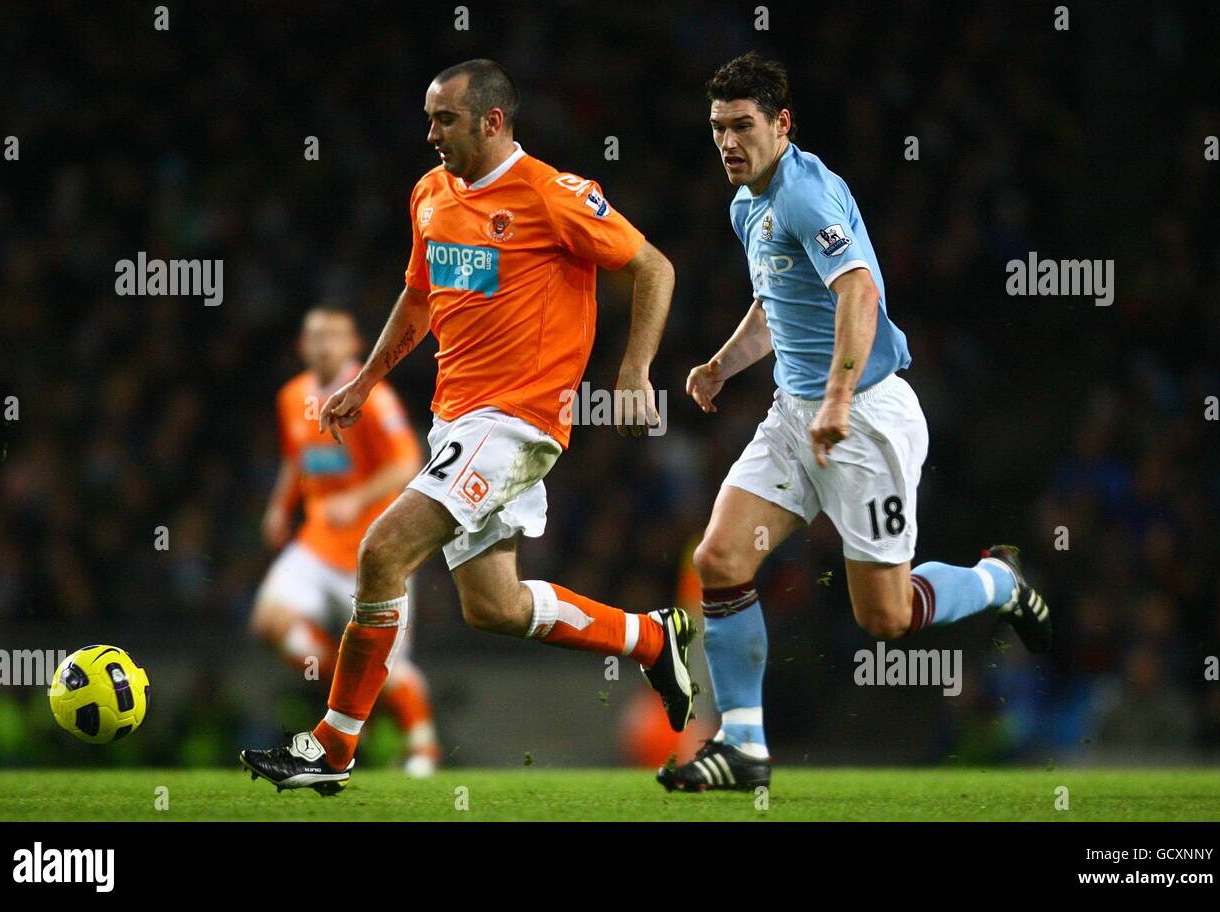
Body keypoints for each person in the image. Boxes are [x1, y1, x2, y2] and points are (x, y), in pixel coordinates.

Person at [240, 60, 692, 794]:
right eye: (428, 118)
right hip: (458, 420)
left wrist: (635, 371)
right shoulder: (430, 195)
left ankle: (332, 748)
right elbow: (419, 298)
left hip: (517, 421)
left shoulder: (553, 195)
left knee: (382, 553)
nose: (430, 133)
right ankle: (647, 636)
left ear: (491, 120)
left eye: (444, 119)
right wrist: (365, 379)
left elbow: (654, 268)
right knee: (494, 606)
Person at [658, 53, 1051, 792]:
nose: (728, 143)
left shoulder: (805, 194)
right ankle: (743, 745)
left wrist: (838, 400)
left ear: (782, 124)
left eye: (743, 126)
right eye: (717, 129)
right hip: (795, 414)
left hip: (865, 417)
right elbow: (779, 303)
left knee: (887, 618)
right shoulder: (748, 201)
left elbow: (859, 294)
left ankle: (997, 582)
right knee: (719, 561)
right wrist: (720, 365)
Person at [250, 306, 440, 776]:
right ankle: (347, 688)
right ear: (302, 347)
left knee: (390, 671)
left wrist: (356, 500)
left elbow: (407, 462)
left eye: (334, 337)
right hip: (316, 543)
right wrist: (279, 506)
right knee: (269, 620)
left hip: (375, 553)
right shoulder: (291, 397)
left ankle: (422, 749)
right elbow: (297, 458)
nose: (324, 345)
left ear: (355, 346)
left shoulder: (374, 398)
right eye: (315, 337)